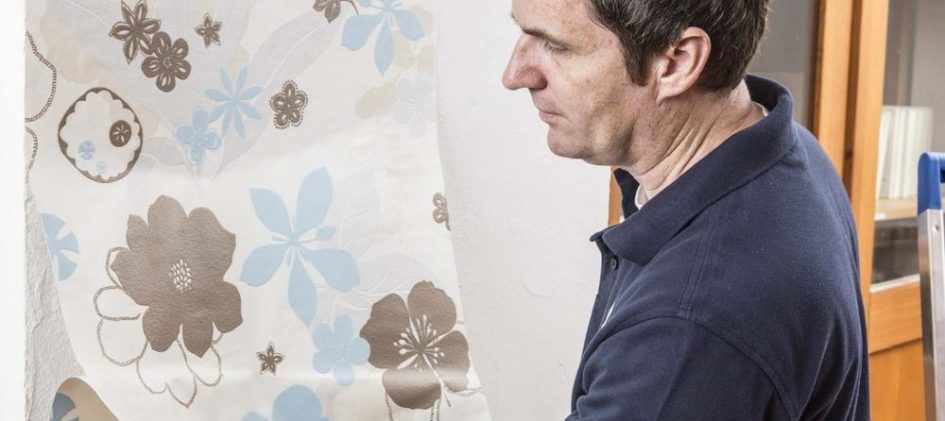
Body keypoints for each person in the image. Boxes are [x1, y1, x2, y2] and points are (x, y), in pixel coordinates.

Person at [501, 0, 870, 419]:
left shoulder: (687, 334)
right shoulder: (781, 149)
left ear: (678, 63)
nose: (515, 74)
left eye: (556, 45)